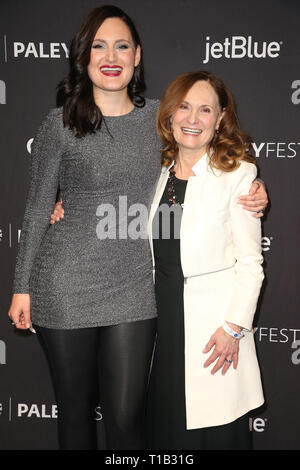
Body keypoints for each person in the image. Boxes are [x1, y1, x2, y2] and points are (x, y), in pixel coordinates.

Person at [8, 6, 268, 451]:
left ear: (137, 56)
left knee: (128, 421)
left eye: (122, 45)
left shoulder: (159, 122)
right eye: (99, 45)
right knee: (74, 417)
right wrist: (21, 286)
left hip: (133, 288)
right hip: (65, 284)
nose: (111, 56)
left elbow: (200, 165)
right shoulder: (60, 124)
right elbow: (35, 208)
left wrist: (254, 185)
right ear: (84, 57)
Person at [145, 71, 265, 450]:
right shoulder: (156, 173)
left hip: (213, 335)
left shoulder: (239, 176)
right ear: (169, 115)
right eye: (184, 107)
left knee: (214, 434)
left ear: (219, 119)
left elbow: (251, 265)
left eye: (205, 110)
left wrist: (233, 329)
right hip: (160, 332)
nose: (192, 119)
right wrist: (65, 207)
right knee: (166, 433)